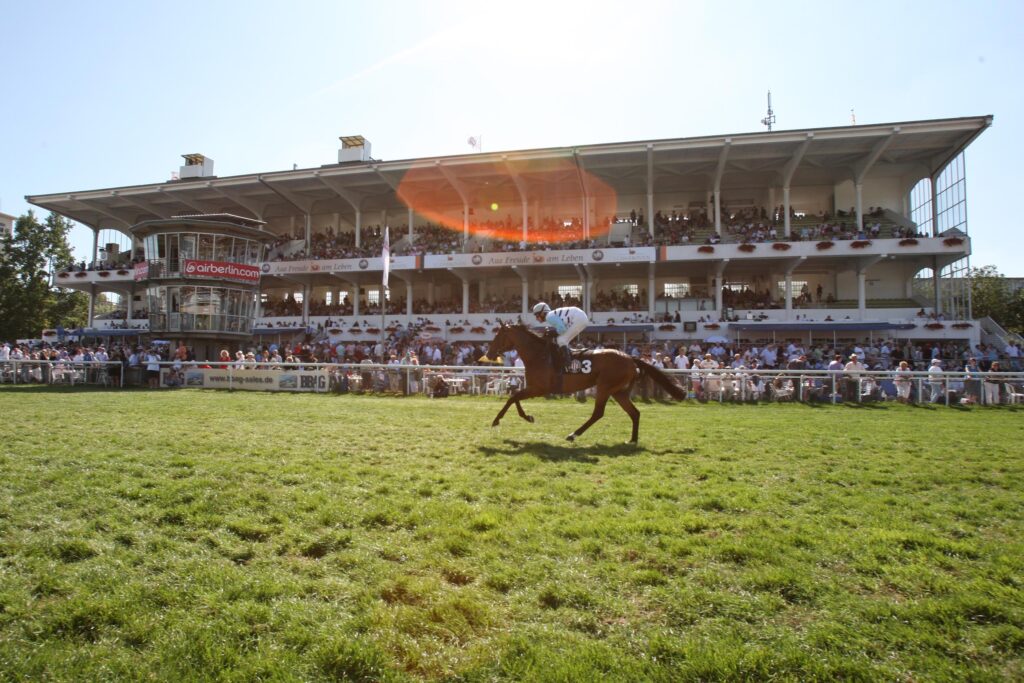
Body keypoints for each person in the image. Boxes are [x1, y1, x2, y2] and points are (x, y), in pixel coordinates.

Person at [532, 302, 589, 371]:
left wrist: (553, 333)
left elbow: (562, 329)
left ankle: (568, 364)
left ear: (542, 313)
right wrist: (553, 333)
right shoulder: (551, 315)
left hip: (578, 318)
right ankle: (568, 360)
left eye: (537, 315)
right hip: (580, 317)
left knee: (561, 340)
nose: (536, 318)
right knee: (562, 340)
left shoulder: (549, 317)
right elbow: (562, 329)